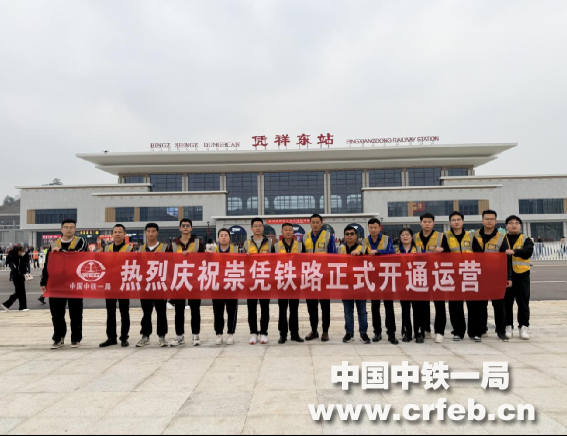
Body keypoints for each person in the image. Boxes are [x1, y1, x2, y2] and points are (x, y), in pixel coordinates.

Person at [40, 219, 88, 349]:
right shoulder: (53, 244)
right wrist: (43, 281)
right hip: (56, 283)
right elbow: (47, 264)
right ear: (61, 229)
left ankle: (75, 338)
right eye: (66, 227)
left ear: (75, 229)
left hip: (75, 282)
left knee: (75, 312)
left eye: (72, 227)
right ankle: (58, 338)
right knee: (56, 313)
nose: (69, 229)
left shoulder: (81, 241)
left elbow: (79, 255)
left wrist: (61, 251)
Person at [470, 210, 513, 343]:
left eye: (492, 219)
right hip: (479, 275)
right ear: (482, 220)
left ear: (496, 221)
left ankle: (501, 332)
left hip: (496, 276)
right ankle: (481, 330)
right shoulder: (474, 236)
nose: (489, 221)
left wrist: (509, 277)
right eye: (487, 218)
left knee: (499, 305)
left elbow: (507, 259)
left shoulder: (501, 237)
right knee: (480, 305)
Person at [169, 218, 205, 347]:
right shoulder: (173, 245)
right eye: (183, 225)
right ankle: (180, 336)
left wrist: (192, 256)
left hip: (194, 280)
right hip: (179, 281)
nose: (185, 227)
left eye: (187, 225)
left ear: (191, 228)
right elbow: (167, 262)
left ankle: (196, 335)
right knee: (179, 310)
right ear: (179, 228)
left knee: (195, 309)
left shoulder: (198, 243)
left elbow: (203, 260)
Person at [362, 218, 398, 345]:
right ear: (368, 228)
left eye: (375, 227)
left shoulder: (387, 239)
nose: (373, 230)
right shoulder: (365, 241)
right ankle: (377, 332)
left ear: (379, 228)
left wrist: (378, 252)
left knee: (389, 306)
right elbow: (362, 254)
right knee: (375, 306)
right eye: (371, 228)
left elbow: (392, 253)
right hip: (372, 277)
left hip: (386, 275)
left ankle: (391, 333)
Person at [414, 213, 448, 344]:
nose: (427, 224)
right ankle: (425, 328)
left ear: (433, 223)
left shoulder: (441, 236)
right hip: (420, 274)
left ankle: (439, 332)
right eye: (424, 222)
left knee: (439, 304)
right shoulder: (415, 237)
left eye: (429, 222)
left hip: (437, 274)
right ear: (420, 223)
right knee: (423, 304)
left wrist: (443, 250)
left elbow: (449, 253)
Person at [303, 214, 337, 343]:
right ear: (310, 223)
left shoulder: (329, 236)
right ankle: (314, 330)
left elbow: (333, 256)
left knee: (325, 306)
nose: (315, 224)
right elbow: (301, 257)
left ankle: (325, 331)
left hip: (323, 276)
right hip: (310, 276)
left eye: (317, 222)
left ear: (321, 222)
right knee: (311, 306)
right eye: (313, 222)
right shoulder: (305, 237)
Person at [243, 218, 276, 345]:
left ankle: (263, 333)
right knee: (251, 308)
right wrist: (245, 257)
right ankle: (253, 333)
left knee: (264, 308)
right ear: (251, 228)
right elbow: (241, 262)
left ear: (263, 228)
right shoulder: (246, 243)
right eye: (255, 226)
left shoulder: (270, 243)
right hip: (251, 280)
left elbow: (274, 260)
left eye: (260, 226)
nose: (257, 228)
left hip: (265, 279)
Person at [100, 224, 133, 348]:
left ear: (124, 234)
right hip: (109, 284)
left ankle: (124, 337)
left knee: (124, 312)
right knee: (110, 312)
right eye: (115, 232)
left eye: (120, 232)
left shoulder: (129, 249)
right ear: (112, 234)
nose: (117, 234)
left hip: (123, 284)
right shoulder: (106, 248)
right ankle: (111, 338)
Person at [136, 223, 169, 348]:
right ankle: (145, 335)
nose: (151, 233)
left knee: (161, 312)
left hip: (160, 285)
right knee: (146, 312)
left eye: (153, 231)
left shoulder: (165, 248)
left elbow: (171, 264)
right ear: (145, 232)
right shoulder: (140, 249)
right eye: (148, 231)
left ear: (157, 232)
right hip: (145, 285)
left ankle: (162, 336)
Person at [444, 212, 473, 342]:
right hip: (453, 274)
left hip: (469, 273)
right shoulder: (445, 237)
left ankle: (474, 332)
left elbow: (479, 253)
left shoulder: (471, 236)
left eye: (458, 219)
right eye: (453, 220)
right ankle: (458, 331)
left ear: (463, 221)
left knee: (473, 304)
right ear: (450, 222)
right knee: (455, 305)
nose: (456, 222)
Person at [504, 215, 534, 341]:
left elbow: (527, 252)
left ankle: (524, 327)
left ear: (520, 226)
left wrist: (514, 252)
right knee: (506, 303)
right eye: (511, 223)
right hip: (505, 276)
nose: (514, 225)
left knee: (523, 303)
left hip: (522, 277)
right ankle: (508, 327)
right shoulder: (502, 239)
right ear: (506, 226)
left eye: (516, 223)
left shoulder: (526, 239)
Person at [340, 226, 371, 344]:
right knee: (348, 311)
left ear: (356, 235)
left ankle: (363, 333)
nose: (349, 236)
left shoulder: (363, 247)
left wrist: (361, 253)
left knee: (362, 311)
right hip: (345, 284)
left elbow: (372, 258)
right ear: (344, 236)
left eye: (352, 234)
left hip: (360, 284)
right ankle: (349, 333)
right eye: (347, 234)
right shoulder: (340, 249)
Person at [276, 223, 306, 345]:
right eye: (285, 230)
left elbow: (305, 261)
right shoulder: (276, 246)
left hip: (295, 280)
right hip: (282, 280)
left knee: (294, 308)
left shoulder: (300, 245)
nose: (288, 232)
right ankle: (282, 334)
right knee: (282, 309)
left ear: (293, 232)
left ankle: (295, 333)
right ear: (282, 232)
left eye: (290, 230)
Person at [396, 228, 426, 343]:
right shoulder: (396, 250)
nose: (405, 237)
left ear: (412, 237)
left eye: (407, 234)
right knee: (405, 309)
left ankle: (418, 333)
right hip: (403, 283)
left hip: (416, 282)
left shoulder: (419, 249)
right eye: (403, 235)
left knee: (418, 309)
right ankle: (407, 332)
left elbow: (427, 262)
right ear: (400, 237)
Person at [213, 228, 239, 346]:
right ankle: (219, 334)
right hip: (217, 285)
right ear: (218, 238)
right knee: (218, 311)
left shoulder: (236, 250)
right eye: (221, 235)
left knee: (232, 310)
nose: (223, 237)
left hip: (231, 283)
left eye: (226, 235)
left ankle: (230, 333)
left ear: (229, 237)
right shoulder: (213, 250)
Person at [1, 246, 30, 313]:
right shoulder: (16, 258)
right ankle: (6, 304)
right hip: (17, 276)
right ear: (18, 251)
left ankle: (22, 307)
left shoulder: (19, 257)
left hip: (20, 276)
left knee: (22, 292)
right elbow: (19, 267)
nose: (23, 253)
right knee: (19, 292)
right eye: (22, 251)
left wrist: (25, 255)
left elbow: (26, 261)